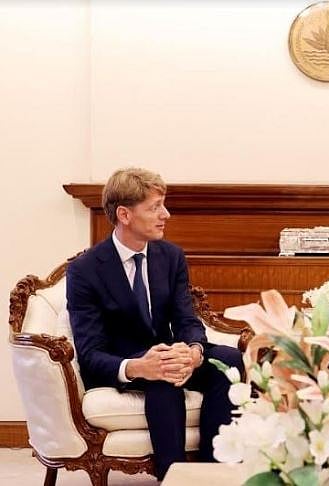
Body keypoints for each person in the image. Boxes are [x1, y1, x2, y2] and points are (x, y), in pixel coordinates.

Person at [66, 167, 244, 480]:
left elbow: (186, 319)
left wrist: (194, 351)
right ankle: (173, 477)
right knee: (162, 376)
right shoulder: (85, 270)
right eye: (154, 207)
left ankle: (216, 473)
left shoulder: (170, 256)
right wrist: (138, 366)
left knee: (228, 360)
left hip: (167, 355)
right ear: (124, 215)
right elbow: (91, 353)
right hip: (125, 364)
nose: (166, 215)